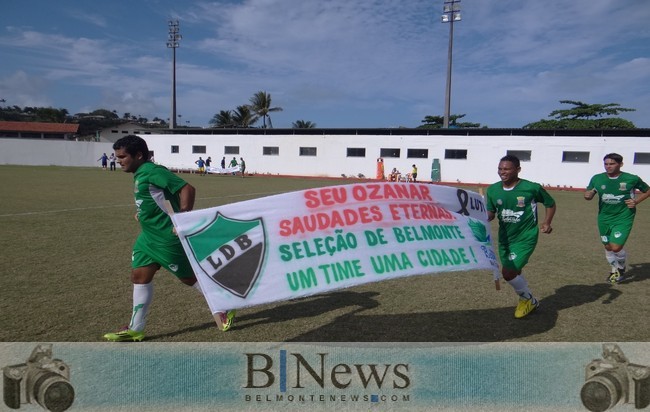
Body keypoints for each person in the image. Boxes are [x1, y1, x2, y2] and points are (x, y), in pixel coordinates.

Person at [103, 135, 235, 342]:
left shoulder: (153, 171)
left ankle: (226, 302)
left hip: (166, 238)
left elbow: (187, 189)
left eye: (122, 156)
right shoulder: (140, 173)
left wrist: (183, 217)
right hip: (148, 238)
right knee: (139, 276)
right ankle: (135, 329)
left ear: (138, 155)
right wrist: (142, 212)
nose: (118, 160)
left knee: (188, 278)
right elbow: (153, 198)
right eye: (117, 156)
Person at [486, 154, 556, 319]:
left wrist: (547, 222)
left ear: (518, 169)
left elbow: (550, 203)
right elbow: (491, 213)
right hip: (505, 238)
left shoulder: (531, 188)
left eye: (507, 169)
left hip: (525, 236)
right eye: (500, 169)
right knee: (515, 271)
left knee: (508, 273)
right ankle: (527, 299)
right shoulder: (492, 189)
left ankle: (528, 299)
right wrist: (482, 216)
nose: (503, 172)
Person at [584, 153, 650, 283]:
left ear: (620, 164)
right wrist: (588, 195)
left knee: (616, 247)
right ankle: (615, 270)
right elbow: (590, 193)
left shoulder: (631, 178)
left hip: (624, 217)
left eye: (612, 164)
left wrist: (636, 201)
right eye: (606, 164)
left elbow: (648, 190)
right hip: (604, 217)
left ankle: (620, 268)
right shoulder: (597, 178)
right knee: (607, 246)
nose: (608, 166)